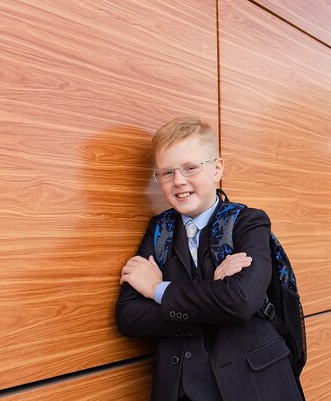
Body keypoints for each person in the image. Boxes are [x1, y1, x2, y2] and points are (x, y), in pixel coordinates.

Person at [115, 116, 303, 401]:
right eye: (166, 173)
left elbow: (241, 301)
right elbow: (129, 317)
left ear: (217, 169)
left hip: (253, 384)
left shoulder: (248, 223)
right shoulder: (159, 231)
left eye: (190, 168)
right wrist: (214, 295)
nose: (178, 181)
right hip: (180, 389)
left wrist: (157, 290)